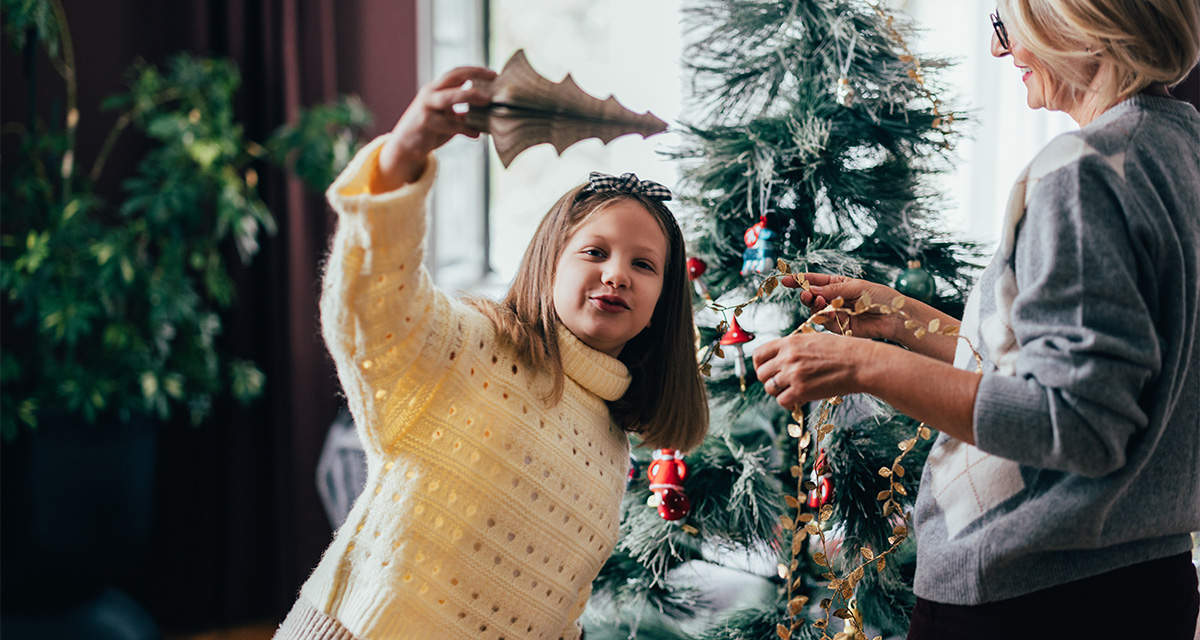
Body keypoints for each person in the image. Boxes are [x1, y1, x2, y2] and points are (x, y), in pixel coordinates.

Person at [751, 1, 1200, 638]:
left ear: (1074, 21)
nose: (1000, 51)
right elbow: (1065, 371)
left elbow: (1074, 421)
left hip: (1028, 597)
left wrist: (865, 364)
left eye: (1004, 24)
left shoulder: (1083, 173)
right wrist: (901, 318)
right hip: (1148, 582)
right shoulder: (1181, 152)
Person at [274, 66, 708, 640]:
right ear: (550, 264)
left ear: (662, 304)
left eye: (643, 265)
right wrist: (402, 157)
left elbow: (557, 608)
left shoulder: (611, 444)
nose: (616, 274)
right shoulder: (475, 345)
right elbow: (373, 310)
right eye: (595, 251)